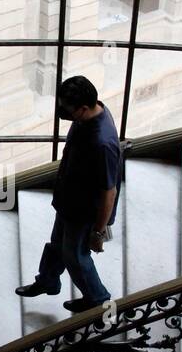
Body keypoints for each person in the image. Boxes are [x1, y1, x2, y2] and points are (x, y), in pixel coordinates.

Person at [15, 74, 121, 314]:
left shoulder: (103, 144)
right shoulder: (87, 117)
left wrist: (98, 232)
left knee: (75, 256)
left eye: (67, 110)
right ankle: (48, 281)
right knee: (57, 244)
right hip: (69, 201)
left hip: (83, 212)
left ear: (83, 109)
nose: (62, 113)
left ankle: (99, 300)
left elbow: (109, 192)